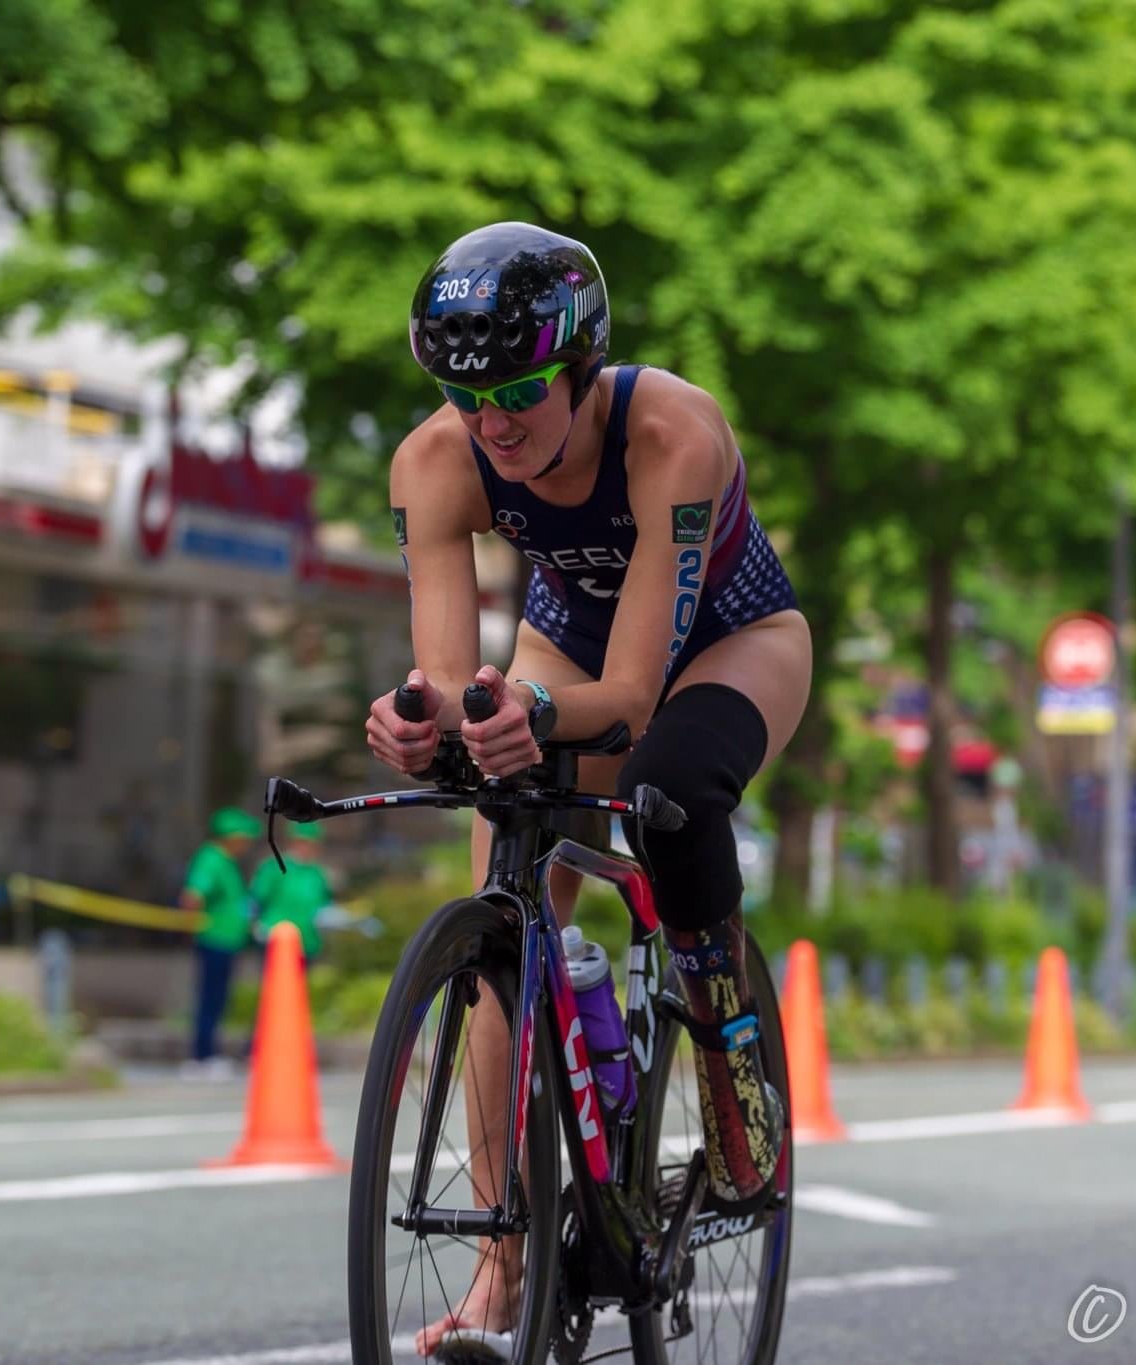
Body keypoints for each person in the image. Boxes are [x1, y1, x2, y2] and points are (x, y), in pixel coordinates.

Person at [365, 222, 811, 1358]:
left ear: (578, 365)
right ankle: (503, 1264)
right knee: (500, 891)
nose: (493, 421)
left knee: (666, 789)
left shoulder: (670, 431)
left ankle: (724, 1043)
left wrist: (530, 712)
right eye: (467, 396)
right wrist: (427, 726)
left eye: (518, 389)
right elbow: (455, 676)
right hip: (569, 643)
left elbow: (630, 690)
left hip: (727, 641)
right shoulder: (434, 461)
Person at [181, 807, 260, 1079]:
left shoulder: (225, 861)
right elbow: (193, 896)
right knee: (210, 998)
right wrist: (192, 929)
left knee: (217, 998)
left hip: (227, 941)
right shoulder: (211, 859)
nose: (246, 844)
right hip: (214, 940)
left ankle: (207, 1053)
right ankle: (202, 1056)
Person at [248, 820, 334, 963]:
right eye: (301, 842)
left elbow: (324, 904)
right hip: (276, 940)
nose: (305, 847)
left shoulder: (317, 874)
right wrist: (254, 924)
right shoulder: (273, 867)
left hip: (307, 942)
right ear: (291, 842)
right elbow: (257, 898)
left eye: (311, 843)